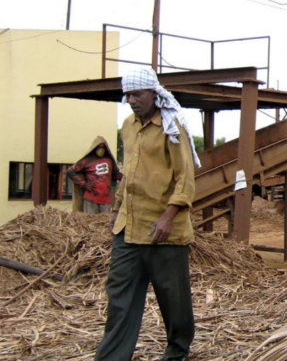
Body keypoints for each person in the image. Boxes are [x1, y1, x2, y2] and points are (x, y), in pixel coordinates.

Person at [95, 67, 201, 361]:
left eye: (137, 94)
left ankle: (177, 351)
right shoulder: (128, 126)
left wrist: (168, 217)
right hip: (129, 229)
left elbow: (185, 178)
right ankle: (112, 357)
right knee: (120, 297)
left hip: (164, 230)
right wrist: (116, 210)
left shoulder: (171, 126)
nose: (131, 100)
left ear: (154, 94)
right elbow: (128, 172)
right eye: (128, 94)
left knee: (173, 300)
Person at [67, 137, 122, 214]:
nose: (101, 149)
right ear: (95, 147)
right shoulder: (87, 160)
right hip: (90, 199)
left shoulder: (109, 161)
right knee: (90, 223)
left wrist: (128, 179)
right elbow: (70, 171)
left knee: (105, 223)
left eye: (103, 147)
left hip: (106, 200)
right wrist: (84, 184)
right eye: (99, 147)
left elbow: (116, 175)